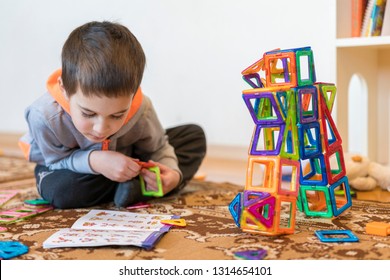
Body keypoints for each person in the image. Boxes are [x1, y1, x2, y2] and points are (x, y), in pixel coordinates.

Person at [19, 21, 206, 209]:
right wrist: (95, 160)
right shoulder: (44, 116)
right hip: (67, 168)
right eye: (88, 113)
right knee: (63, 192)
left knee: (193, 136)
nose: (101, 128)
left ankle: (138, 184)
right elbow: (56, 160)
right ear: (64, 89)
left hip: (128, 157)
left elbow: (158, 148)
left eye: (117, 115)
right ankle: (134, 186)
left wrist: (173, 174)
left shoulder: (142, 109)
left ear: (133, 96)